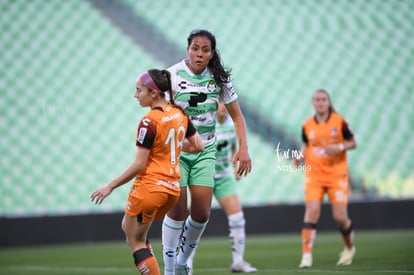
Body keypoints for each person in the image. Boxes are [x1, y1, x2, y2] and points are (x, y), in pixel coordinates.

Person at [90, 69, 204, 275]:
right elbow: (198, 145)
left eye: (138, 90)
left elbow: (139, 165)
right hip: (172, 188)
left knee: (135, 242)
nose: (135, 95)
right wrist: (173, 148)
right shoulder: (179, 114)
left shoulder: (149, 121)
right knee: (128, 226)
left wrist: (110, 186)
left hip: (150, 187)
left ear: (153, 93)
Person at [161, 29, 252, 275]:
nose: (199, 54)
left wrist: (243, 149)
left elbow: (237, 117)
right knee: (178, 211)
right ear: (188, 49)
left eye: (205, 50)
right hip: (176, 152)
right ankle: (172, 270)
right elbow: (160, 114)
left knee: (201, 214)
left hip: (205, 150)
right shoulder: (171, 76)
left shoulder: (220, 79)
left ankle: (183, 260)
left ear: (212, 54)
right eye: (195, 48)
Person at [185, 102, 257, 273]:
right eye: (220, 103)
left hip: (223, 177)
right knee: (196, 220)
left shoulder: (233, 126)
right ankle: (186, 262)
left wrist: (236, 166)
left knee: (237, 218)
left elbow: (233, 149)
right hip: (204, 176)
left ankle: (238, 262)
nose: (223, 107)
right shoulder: (205, 124)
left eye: (225, 104)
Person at [293, 89, 357, 268]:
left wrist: (339, 147)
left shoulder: (340, 121)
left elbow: (353, 142)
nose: (320, 102)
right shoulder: (307, 125)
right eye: (317, 100)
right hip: (314, 175)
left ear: (328, 102)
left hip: (337, 175)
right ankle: (306, 256)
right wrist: (299, 157)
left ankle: (349, 247)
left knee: (340, 217)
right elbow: (307, 145)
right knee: (312, 212)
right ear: (313, 103)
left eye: (323, 99)